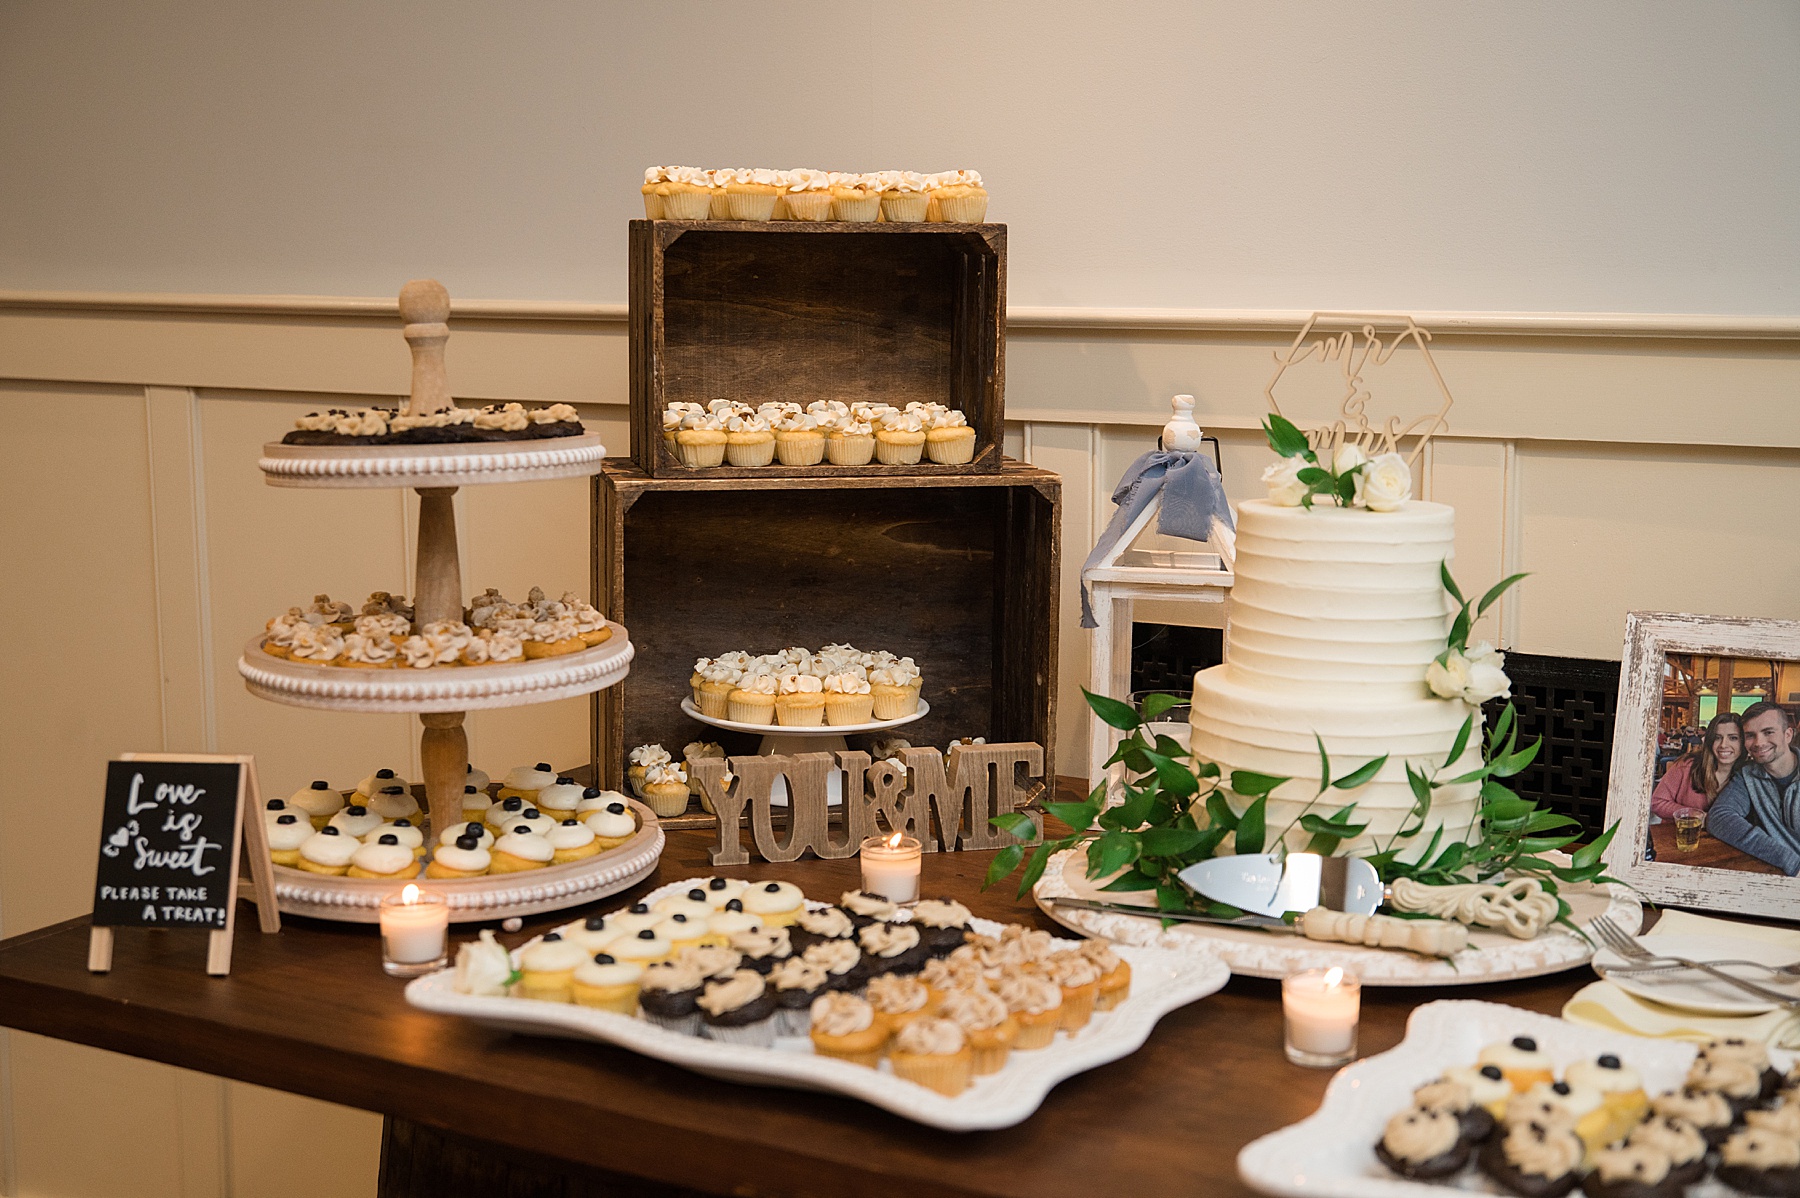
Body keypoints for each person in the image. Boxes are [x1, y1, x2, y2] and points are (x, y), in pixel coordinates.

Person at [1705, 701, 1800, 874]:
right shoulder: (1747, 774)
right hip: (1776, 872)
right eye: (1750, 735)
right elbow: (1719, 817)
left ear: (1788, 734)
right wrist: (1790, 861)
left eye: (1768, 732)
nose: (1759, 742)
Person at [1651, 712, 1744, 821]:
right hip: (1683, 834)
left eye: (1733, 738)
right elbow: (1657, 802)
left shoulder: (1747, 774)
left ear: (1743, 742)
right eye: (1717, 738)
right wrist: (1693, 814)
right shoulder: (1686, 766)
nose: (1723, 745)